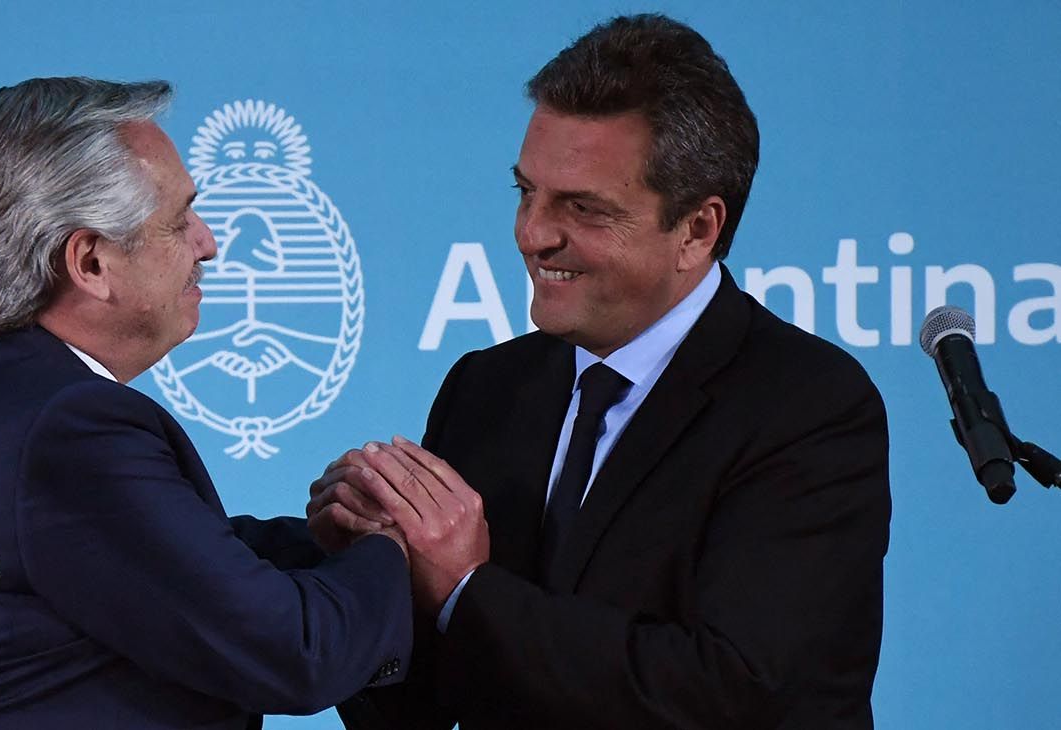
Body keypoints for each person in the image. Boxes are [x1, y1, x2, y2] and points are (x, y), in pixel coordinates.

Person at [309, 14, 891, 729]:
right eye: (526, 192)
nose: (532, 233)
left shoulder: (807, 407)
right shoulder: (487, 389)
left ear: (697, 230)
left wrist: (464, 586)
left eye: (581, 208)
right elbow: (417, 707)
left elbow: (732, 694)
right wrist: (371, 577)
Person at [0, 77, 412, 730]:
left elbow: (139, 552)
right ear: (91, 263)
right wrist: (399, 546)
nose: (208, 242)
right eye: (179, 220)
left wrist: (327, 544)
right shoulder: (66, 428)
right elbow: (298, 654)